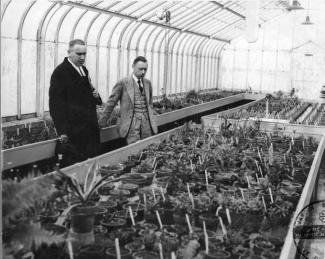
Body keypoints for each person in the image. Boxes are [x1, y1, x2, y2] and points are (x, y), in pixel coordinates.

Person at [49, 39, 102, 164]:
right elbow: (55, 104)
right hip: (75, 131)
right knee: (76, 166)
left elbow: (89, 95)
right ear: (69, 53)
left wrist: (96, 96)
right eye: (79, 54)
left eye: (84, 54)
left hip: (90, 128)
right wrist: (62, 131)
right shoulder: (60, 72)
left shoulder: (83, 70)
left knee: (91, 165)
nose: (82, 57)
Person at [99, 56, 157, 144]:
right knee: (133, 150)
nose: (143, 72)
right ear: (133, 66)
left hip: (147, 124)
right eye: (140, 69)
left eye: (145, 69)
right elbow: (111, 103)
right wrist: (101, 123)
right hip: (131, 124)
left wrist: (152, 118)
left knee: (147, 146)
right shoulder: (123, 82)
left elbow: (150, 104)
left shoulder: (147, 83)